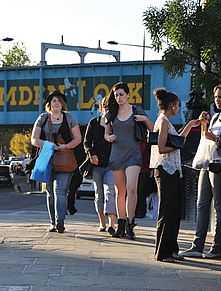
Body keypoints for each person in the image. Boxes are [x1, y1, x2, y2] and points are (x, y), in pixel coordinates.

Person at [179, 84, 221, 259]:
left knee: (219, 207)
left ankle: (216, 248)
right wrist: (204, 125)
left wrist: (217, 139)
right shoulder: (216, 117)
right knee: (201, 204)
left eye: (220, 97)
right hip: (209, 164)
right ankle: (197, 246)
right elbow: (206, 140)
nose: (217, 100)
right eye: (216, 97)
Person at [149, 88, 200, 262]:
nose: (179, 108)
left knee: (174, 212)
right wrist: (177, 147)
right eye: (178, 105)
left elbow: (177, 139)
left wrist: (189, 126)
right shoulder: (163, 121)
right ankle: (163, 253)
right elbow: (162, 148)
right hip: (165, 170)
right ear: (172, 106)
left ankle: (171, 250)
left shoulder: (165, 121)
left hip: (172, 170)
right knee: (167, 211)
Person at [102, 82, 153, 239]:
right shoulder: (111, 113)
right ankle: (121, 224)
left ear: (128, 95)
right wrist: (108, 137)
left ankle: (131, 224)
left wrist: (144, 118)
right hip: (117, 154)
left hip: (133, 154)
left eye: (121, 94)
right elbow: (106, 133)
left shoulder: (137, 110)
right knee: (120, 191)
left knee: (132, 189)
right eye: (116, 95)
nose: (119, 98)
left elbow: (153, 129)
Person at [31, 90, 82, 233]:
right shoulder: (43, 118)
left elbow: (78, 138)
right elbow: (34, 139)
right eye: (53, 100)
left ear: (63, 103)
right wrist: (48, 145)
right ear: (49, 104)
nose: (56, 103)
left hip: (65, 158)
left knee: (60, 190)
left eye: (59, 100)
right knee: (50, 192)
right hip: (47, 158)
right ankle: (53, 222)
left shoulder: (69, 118)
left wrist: (66, 146)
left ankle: (60, 222)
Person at [84, 97, 117, 234]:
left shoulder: (116, 123)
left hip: (112, 163)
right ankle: (102, 223)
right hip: (97, 164)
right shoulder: (94, 123)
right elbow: (86, 142)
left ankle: (112, 224)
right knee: (99, 194)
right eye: (104, 105)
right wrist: (92, 154)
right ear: (100, 107)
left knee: (111, 192)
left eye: (109, 105)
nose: (106, 108)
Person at [67, 124, 87, 215]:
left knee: (67, 189)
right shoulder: (84, 144)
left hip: (69, 166)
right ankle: (70, 207)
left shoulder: (72, 142)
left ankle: (67, 206)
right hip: (79, 168)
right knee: (73, 189)